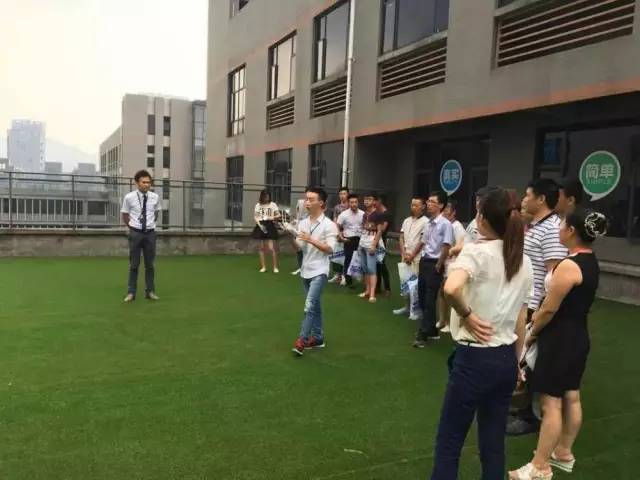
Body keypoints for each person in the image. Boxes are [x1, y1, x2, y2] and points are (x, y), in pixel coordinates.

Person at [430, 187, 533, 480]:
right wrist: (518, 363)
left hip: (474, 359)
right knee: (493, 442)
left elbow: (451, 288)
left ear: (483, 219)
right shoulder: (523, 261)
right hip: (505, 359)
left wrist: (467, 315)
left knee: (450, 441)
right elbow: (521, 320)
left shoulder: (476, 252)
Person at [509, 209, 607, 480]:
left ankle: (540, 466)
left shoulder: (569, 265)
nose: (560, 229)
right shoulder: (590, 261)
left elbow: (549, 309)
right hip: (577, 336)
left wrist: (532, 333)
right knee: (571, 395)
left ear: (572, 231)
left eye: (563, 225)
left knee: (550, 403)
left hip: (559, 339)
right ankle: (563, 452)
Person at [507, 178, 569, 436]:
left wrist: (541, 311)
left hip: (536, 306)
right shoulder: (535, 226)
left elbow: (554, 276)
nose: (524, 199)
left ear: (541, 199)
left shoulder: (552, 229)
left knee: (531, 361)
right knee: (523, 359)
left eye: (528, 195)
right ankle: (523, 408)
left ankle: (531, 416)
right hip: (525, 302)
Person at [291, 187, 338, 357]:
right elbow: (300, 248)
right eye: (306, 199)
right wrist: (290, 235)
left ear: (321, 203)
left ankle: (302, 340)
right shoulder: (303, 223)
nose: (307, 202)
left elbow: (330, 249)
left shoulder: (329, 225)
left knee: (309, 306)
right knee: (315, 305)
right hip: (306, 270)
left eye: (311, 199)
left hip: (320, 271)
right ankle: (318, 338)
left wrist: (311, 239)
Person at [414, 191, 454, 348]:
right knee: (422, 295)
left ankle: (423, 334)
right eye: (428, 201)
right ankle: (431, 329)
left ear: (441, 205)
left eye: (432, 202)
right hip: (424, 261)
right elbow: (423, 242)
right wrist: (413, 255)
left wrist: (439, 263)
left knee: (430, 298)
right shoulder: (428, 223)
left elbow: (447, 245)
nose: (428, 204)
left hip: (435, 263)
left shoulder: (445, 224)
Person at [121, 170, 162, 302]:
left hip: (150, 233)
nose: (147, 184)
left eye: (149, 182)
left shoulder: (155, 197)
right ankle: (131, 293)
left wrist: (150, 224)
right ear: (137, 183)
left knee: (150, 265)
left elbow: (156, 213)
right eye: (144, 182)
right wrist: (133, 228)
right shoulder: (129, 197)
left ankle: (150, 292)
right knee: (134, 264)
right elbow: (125, 215)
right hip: (136, 233)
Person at [393, 197, 427, 317]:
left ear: (423, 207)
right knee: (405, 283)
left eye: (416, 205)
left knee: (415, 285)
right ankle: (407, 307)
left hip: (417, 258)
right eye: (412, 205)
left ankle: (417, 310)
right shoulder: (407, 220)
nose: (413, 207)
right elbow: (401, 237)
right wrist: (403, 253)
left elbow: (422, 241)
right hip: (405, 256)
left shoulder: (425, 222)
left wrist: (412, 255)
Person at [437, 200, 466, 333]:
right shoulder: (444, 224)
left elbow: (461, 246)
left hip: (452, 264)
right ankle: (442, 320)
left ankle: (449, 323)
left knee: (448, 293)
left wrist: (451, 253)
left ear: (454, 212)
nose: (444, 212)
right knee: (441, 293)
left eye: (448, 210)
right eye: (444, 210)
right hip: (443, 262)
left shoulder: (457, 227)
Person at [449, 186, 490, 257]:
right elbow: (465, 239)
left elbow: (476, 245)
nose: (478, 203)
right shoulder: (474, 221)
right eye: (477, 200)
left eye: (481, 200)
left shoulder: (487, 223)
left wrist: (452, 251)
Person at [358, 193, 384, 303]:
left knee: (372, 269)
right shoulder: (364, 214)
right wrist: (359, 245)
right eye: (365, 199)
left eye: (369, 199)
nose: (367, 201)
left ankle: (372, 294)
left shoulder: (378, 214)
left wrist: (374, 245)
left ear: (374, 202)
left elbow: (380, 231)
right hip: (362, 242)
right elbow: (363, 228)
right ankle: (367, 290)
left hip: (371, 243)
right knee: (365, 268)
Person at [336, 193, 364, 288]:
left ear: (358, 203)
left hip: (360, 240)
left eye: (355, 202)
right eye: (352, 202)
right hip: (348, 240)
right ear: (348, 203)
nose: (354, 204)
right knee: (348, 259)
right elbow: (337, 226)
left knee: (361, 259)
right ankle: (348, 281)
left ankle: (361, 278)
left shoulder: (363, 214)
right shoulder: (344, 214)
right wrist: (341, 237)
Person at [253, 189, 280, 273]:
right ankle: (263, 267)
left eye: (268, 196)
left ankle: (275, 267)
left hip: (270, 224)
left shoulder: (273, 204)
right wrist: (259, 225)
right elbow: (255, 217)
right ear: (262, 196)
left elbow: (278, 215)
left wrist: (271, 218)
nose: (267, 198)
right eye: (265, 196)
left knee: (272, 247)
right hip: (261, 225)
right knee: (261, 248)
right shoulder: (258, 205)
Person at [329, 187, 350, 285]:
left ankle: (345, 276)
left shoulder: (351, 206)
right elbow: (335, 220)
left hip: (348, 234)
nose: (342, 196)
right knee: (336, 254)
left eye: (344, 194)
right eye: (341, 194)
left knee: (346, 255)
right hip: (338, 233)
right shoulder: (337, 207)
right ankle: (337, 275)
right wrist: (337, 232)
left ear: (348, 194)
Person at [373, 197, 393, 296]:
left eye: (374, 201)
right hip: (375, 241)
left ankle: (387, 288)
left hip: (382, 243)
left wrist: (373, 227)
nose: (373, 203)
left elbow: (383, 229)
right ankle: (377, 287)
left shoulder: (386, 214)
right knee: (376, 265)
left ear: (379, 201)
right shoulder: (377, 213)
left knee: (382, 265)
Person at [291, 187, 310, 275]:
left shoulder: (314, 204)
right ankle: (300, 267)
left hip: (308, 229)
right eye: (307, 193)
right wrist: (295, 222)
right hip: (299, 228)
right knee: (298, 249)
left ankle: (307, 268)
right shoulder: (300, 202)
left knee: (307, 250)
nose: (308, 195)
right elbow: (297, 215)